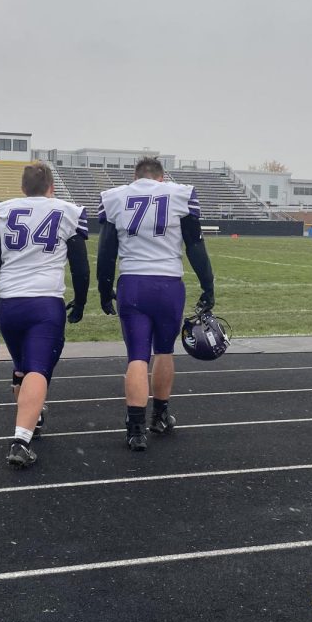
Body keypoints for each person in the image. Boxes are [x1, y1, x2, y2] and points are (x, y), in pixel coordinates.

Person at [0, 160, 89, 469]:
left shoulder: (4, 210)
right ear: (51, 187)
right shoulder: (67, 212)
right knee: (39, 369)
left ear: (23, 188)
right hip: (44, 304)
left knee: (22, 366)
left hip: (9, 304)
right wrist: (82, 300)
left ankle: (31, 423)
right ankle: (20, 440)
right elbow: (79, 265)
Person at [97, 157, 215, 451]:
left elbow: (106, 251)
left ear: (136, 177)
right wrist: (208, 285)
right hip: (168, 284)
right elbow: (195, 245)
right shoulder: (179, 194)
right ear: (162, 178)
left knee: (137, 355)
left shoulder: (116, 197)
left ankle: (136, 430)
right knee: (164, 350)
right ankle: (160, 416)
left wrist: (102, 288)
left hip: (133, 283)